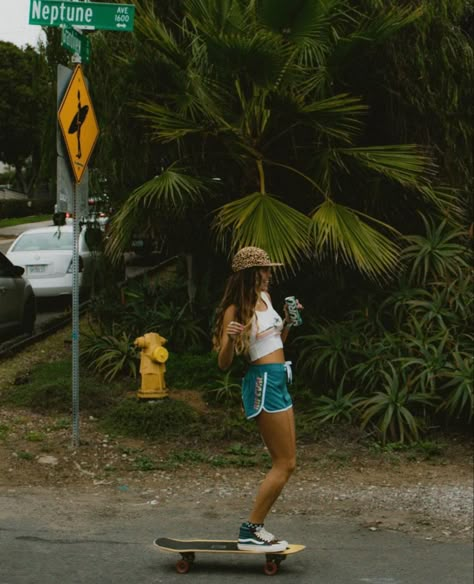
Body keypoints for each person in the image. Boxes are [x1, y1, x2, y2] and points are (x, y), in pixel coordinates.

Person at [213, 246, 300, 553]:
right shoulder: (235, 310)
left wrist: (287, 321)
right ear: (251, 275)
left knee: (288, 462)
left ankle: (253, 528)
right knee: (284, 462)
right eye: (264, 270)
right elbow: (224, 362)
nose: (270, 274)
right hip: (263, 381)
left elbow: (277, 342)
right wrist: (230, 338)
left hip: (279, 377)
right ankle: (251, 530)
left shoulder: (266, 299)